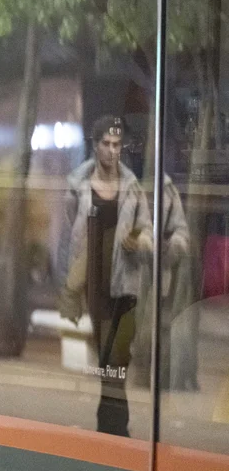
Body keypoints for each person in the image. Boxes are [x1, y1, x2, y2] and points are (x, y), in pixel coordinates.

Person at [56, 116, 188, 436]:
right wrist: (68, 283)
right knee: (105, 359)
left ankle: (115, 427)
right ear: (95, 144)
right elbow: (69, 235)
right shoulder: (78, 184)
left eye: (117, 145)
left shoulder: (132, 185)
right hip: (94, 284)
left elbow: (150, 233)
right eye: (106, 144)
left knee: (118, 357)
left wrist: (139, 242)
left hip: (127, 283)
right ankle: (111, 427)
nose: (112, 150)